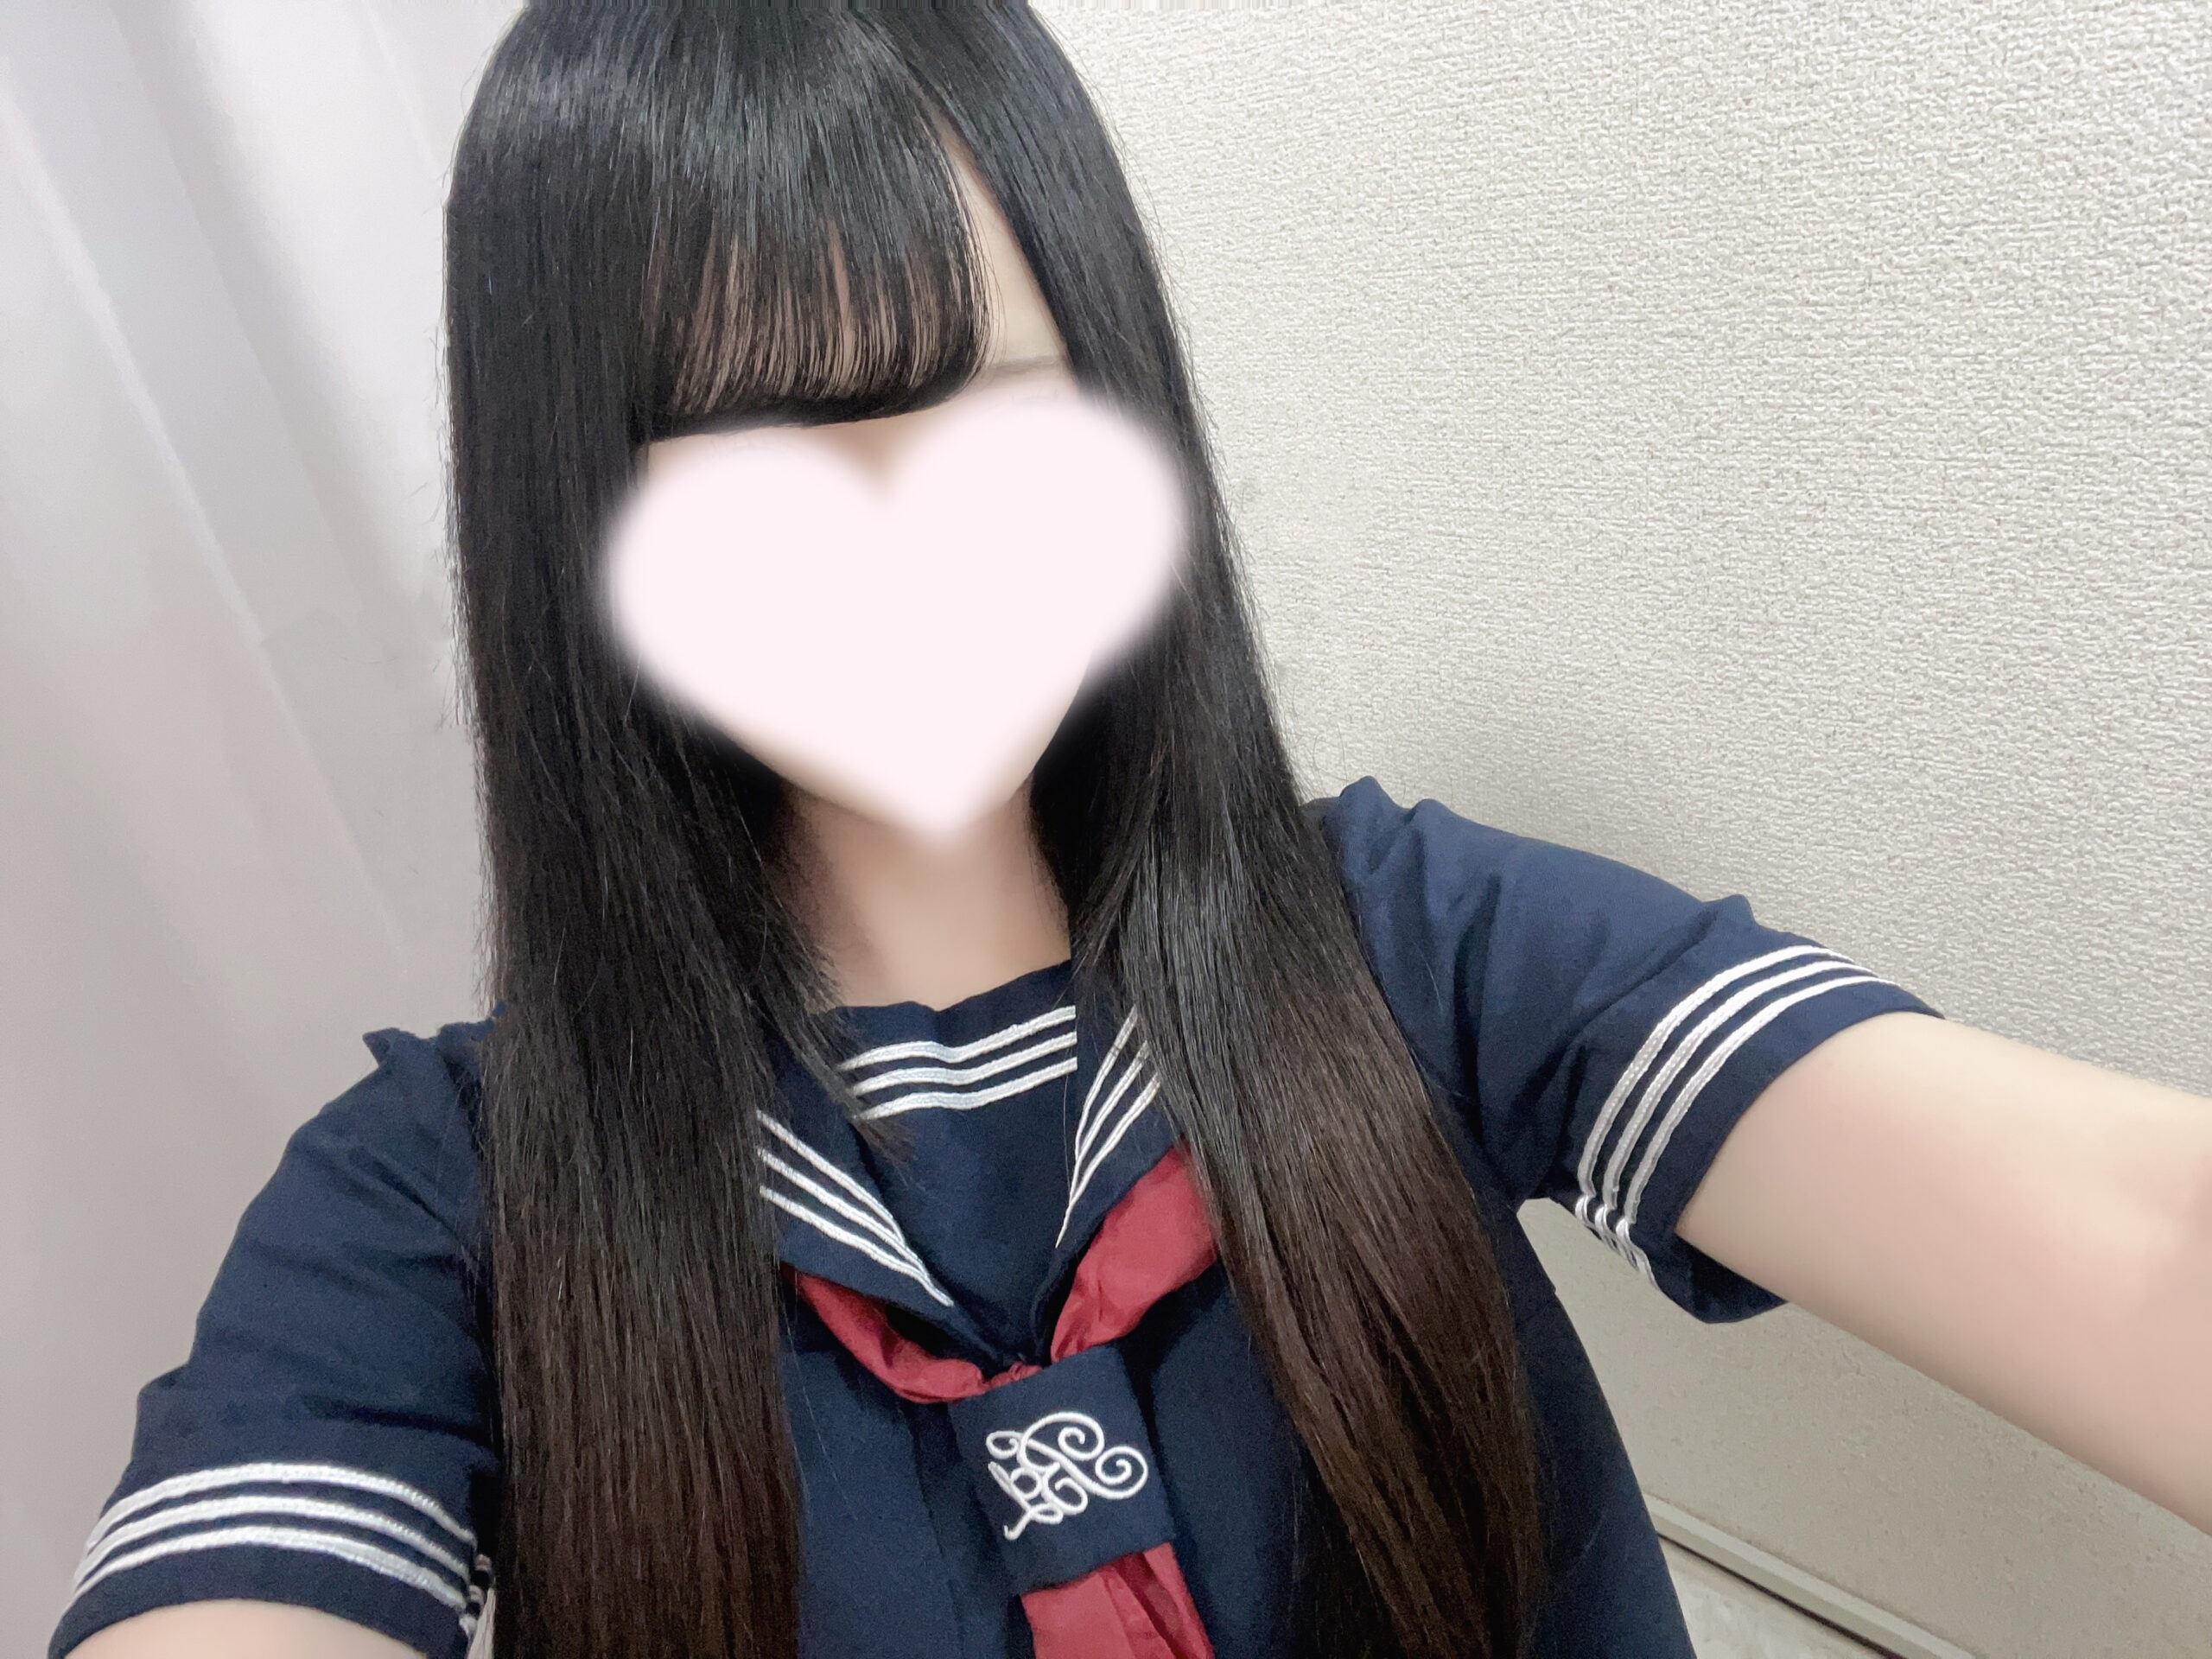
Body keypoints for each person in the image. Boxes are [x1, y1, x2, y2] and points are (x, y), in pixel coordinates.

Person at [53, 5, 2211, 1658]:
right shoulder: (430, 1202)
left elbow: (2127, 1239)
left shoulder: (1417, 942)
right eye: (748, 431)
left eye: (981, 403)